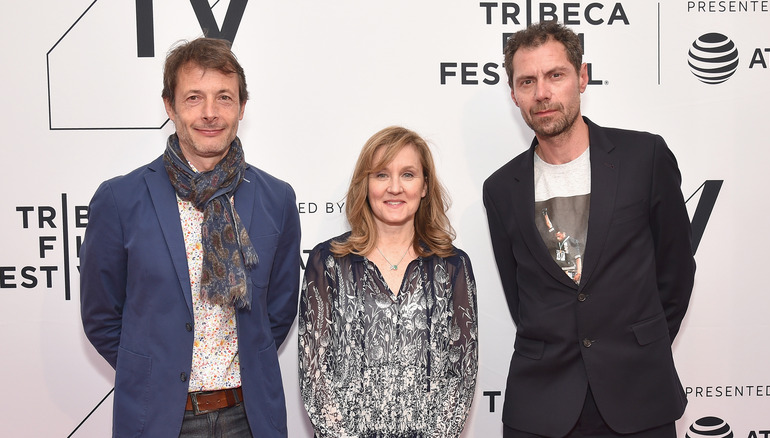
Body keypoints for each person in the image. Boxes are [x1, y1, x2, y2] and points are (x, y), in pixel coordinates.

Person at [483, 22, 696, 438]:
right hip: (540, 405)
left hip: (638, 395)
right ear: (514, 94)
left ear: (582, 77)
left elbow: (676, 270)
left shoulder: (644, 157)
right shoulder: (501, 189)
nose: (542, 93)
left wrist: (637, 345)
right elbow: (519, 296)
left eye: (555, 75)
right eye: (527, 81)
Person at [80, 37, 301, 437]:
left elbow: (279, 310)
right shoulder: (120, 200)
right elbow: (101, 317)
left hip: (249, 417)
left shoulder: (276, 198)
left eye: (224, 98)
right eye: (194, 97)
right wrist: (155, 375)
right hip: (160, 418)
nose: (210, 113)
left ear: (242, 107)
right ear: (170, 106)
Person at [298, 126, 478, 437]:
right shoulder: (327, 262)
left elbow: (461, 375)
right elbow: (315, 375)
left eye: (408, 174)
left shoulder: (452, 266)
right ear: (366, 185)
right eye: (381, 174)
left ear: (424, 186)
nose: (394, 187)